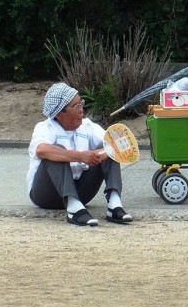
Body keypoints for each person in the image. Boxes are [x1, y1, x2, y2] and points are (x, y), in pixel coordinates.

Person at [26, 82, 133, 226]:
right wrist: (81, 156)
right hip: (47, 195)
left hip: (82, 191)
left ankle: (114, 205)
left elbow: (118, 142)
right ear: (59, 113)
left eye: (81, 103)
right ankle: (74, 210)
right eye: (75, 106)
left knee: (109, 143)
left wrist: (103, 153)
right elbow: (41, 150)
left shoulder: (87, 126)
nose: (81, 110)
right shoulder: (45, 127)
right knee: (56, 151)